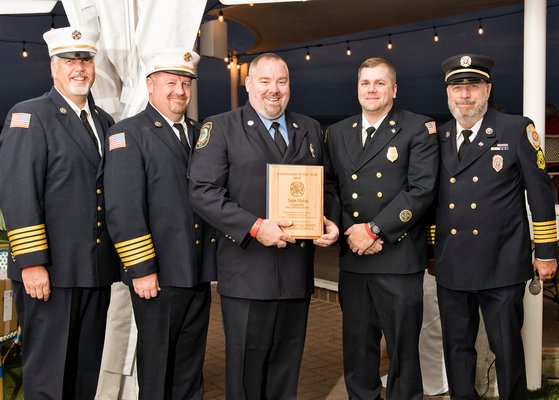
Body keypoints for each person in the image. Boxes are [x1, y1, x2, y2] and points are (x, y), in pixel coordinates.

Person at [188, 53, 340, 400]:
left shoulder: (311, 128)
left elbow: (327, 186)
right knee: (245, 373)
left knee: (286, 368)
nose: (274, 90)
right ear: (249, 85)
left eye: (282, 82)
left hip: (295, 273)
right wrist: (254, 226)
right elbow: (202, 192)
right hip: (246, 273)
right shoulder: (221, 127)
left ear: (290, 86)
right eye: (265, 81)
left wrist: (329, 219)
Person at [0, 27, 119, 399]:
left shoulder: (105, 122)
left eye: (85, 60)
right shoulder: (30, 116)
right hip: (49, 273)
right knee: (49, 378)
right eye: (69, 61)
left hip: (94, 272)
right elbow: (19, 193)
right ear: (54, 67)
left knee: (85, 375)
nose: (79, 68)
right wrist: (33, 262)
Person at [434, 53, 558, 399]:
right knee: (457, 351)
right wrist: (432, 250)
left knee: (507, 351)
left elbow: (541, 195)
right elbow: (432, 202)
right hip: (453, 265)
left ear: (487, 89)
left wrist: (546, 252)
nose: (465, 96)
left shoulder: (516, 129)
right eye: (457, 88)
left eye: (473, 86)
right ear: (447, 94)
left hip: (502, 264)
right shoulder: (439, 136)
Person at [103, 48, 216, 399]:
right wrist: (140, 269)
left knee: (189, 365)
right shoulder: (128, 134)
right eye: (171, 83)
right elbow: (123, 208)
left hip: (195, 272)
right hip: (159, 275)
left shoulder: (199, 132)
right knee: (157, 367)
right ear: (150, 86)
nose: (179, 91)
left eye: (185, 83)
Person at [325, 57, 439, 400]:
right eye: (365, 83)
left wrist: (374, 230)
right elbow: (331, 188)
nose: (371, 89)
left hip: (398, 258)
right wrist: (350, 231)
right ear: (357, 88)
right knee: (358, 350)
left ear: (394, 89)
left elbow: (421, 191)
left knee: (403, 351)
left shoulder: (418, 128)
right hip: (355, 259)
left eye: (379, 83)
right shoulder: (337, 132)